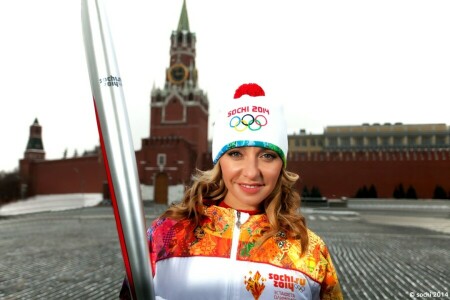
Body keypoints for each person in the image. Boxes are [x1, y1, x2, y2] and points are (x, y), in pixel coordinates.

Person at [120, 83, 343, 300]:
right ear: (219, 162)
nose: (252, 172)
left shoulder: (309, 250)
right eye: (236, 154)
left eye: (267, 155)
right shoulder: (165, 235)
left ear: (281, 166)